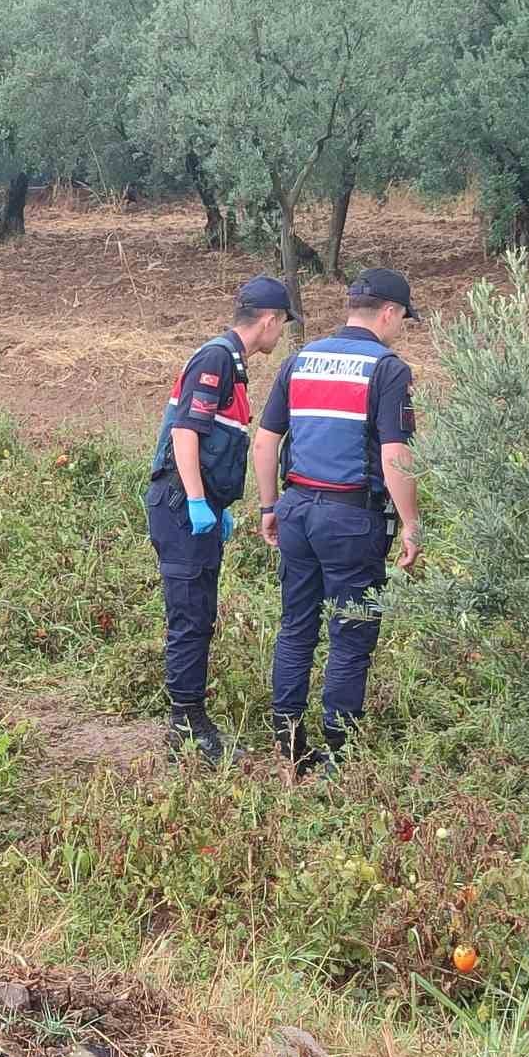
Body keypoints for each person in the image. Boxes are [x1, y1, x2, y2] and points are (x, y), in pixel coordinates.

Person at [252, 267, 424, 776]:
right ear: (389, 313)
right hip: (352, 517)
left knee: (296, 625)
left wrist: (268, 507)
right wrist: (412, 523)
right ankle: (337, 753)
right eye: (402, 320)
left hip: (297, 510)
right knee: (351, 632)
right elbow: (395, 454)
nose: (399, 329)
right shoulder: (388, 369)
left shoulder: (300, 359)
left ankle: (287, 742)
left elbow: (265, 442)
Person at [146, 275, 295, 760]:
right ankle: (184, 722)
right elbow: (187, 434)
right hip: (179, 505)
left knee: (200, 613)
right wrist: (194, 500)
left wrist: (215, 505)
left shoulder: (233, 363)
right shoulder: (216, 359)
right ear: (269, 320)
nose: (281, 336)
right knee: (190, 614)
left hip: (199, 504)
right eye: (282, 326)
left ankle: (190, 714)